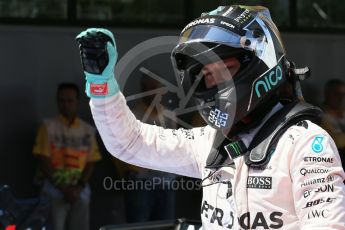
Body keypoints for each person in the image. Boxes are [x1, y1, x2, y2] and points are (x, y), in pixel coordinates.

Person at [76, 5, 345, 229]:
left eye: (226, 69)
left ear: (261, 64)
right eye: (207, 74)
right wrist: (102, 87)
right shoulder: (209, 141)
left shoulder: (304, 143)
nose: (216, 82)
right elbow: (130, 143)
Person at [33, 83, 101, 230]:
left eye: (69, 101)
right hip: (54, 189)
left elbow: (91, 162)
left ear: (77, 102)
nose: (65, 105)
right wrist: (63, 188)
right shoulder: (48, 127)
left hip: (79, 190)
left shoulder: (87, 130)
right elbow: (43, 160)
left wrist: (78, 187)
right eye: (61, 101)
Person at [321, 79, 345, 168]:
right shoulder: (320, 115)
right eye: (337, 94)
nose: (341, 98)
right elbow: (336, 141)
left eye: (343, 94)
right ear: (327, 94)